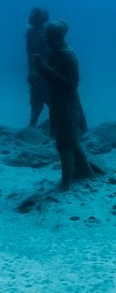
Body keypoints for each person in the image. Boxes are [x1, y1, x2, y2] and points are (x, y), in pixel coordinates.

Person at [35, 20, 94, 191]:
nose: (44, 38)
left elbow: (71, 85)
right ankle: (87, 172)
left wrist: (44, 68)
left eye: (47, 35)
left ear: (56, 37)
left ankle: (66, 184)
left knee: (64, 143)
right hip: (58, 103)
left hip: (67, 104)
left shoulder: (67, 55)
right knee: (72, 141)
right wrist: (41, 68)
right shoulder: (53, 54)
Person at [25, 7, 50, 127]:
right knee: (35, 99)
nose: (32, 16)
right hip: (35, 72)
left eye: (35, 14)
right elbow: (29, 54)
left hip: (46, 72)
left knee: (51, 98)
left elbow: (51, 52)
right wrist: (31, 71)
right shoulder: (30, 33)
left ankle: (59, 123)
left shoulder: (47, 31)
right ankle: (32, 125)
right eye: (31, 14)